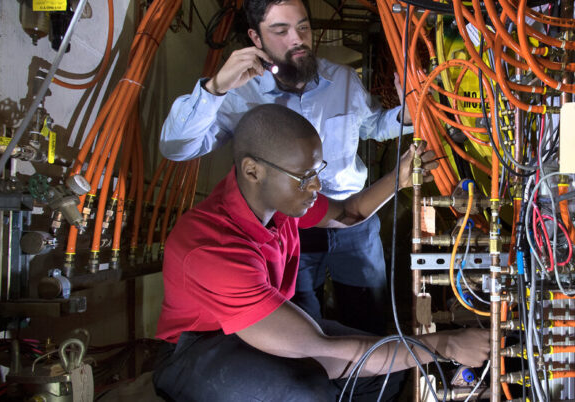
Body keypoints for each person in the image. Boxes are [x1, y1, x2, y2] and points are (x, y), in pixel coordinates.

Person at [153, 104, 489, 401]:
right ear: (253, 170)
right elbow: (320, 348)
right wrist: (444, 346)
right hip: (199, 348)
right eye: (304, 177)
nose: (315, 185)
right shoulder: (213, 246)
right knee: (305, 392)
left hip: (263, 323)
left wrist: (398, 178)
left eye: (316, 171)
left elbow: (349, 213)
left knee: (387, 374)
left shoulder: (280, 204)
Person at [159, 0, 413, 334]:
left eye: (303, 27)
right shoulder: (239, 93)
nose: (297, 39)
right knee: (302, 325)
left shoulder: (345, 80)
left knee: (370, 318)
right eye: (280, 30)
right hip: (291, 229)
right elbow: (177, 147)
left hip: (355, 224)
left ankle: (371, 384)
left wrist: (407, 115)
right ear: (255, 37)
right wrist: (215, 88)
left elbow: (373, 127)